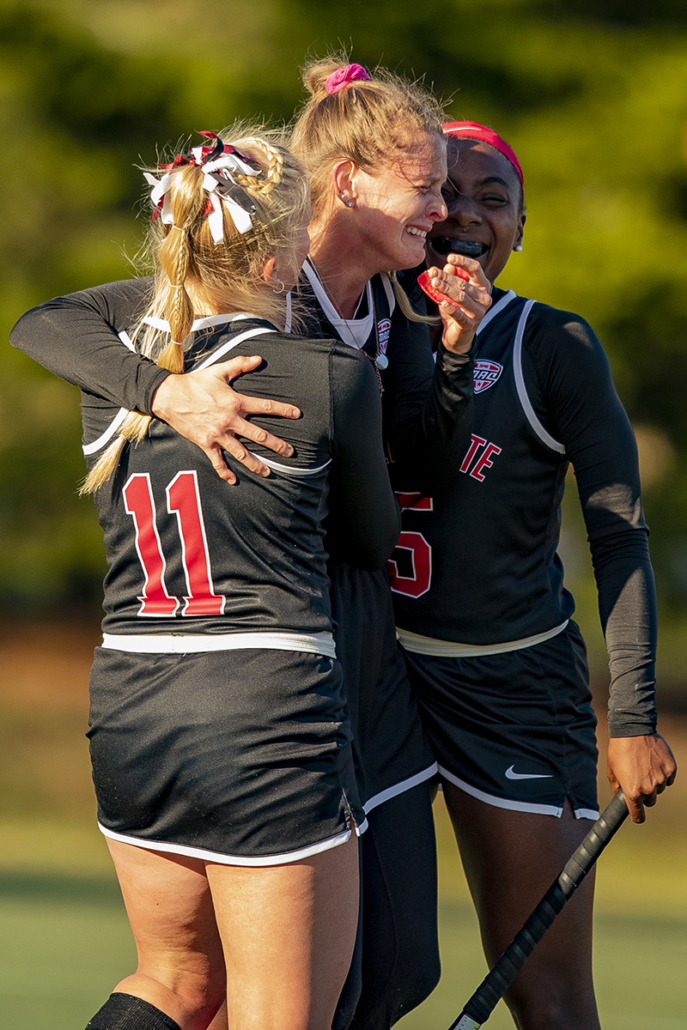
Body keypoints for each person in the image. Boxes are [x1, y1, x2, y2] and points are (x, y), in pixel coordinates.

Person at [11, 64, 492, 1030]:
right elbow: (372, 533)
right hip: (272, 694)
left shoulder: (171, 344)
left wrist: (444, 357)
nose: (445, 211)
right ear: (331, 191)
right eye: (429, 183)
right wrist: (165, 391)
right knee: (286, 1009)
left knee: (184, 983)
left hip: (138, 692)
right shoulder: (245, 353)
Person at [388, 120, 678, 1030]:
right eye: (443, 195)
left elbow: (619, 536)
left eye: (492, 199)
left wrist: (629, 719)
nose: (464, 215)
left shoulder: (553, 344)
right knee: (359, 976)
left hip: (509, 685)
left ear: (521, 228)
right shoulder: (349, 321)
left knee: (546, 998)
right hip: (373, 676)